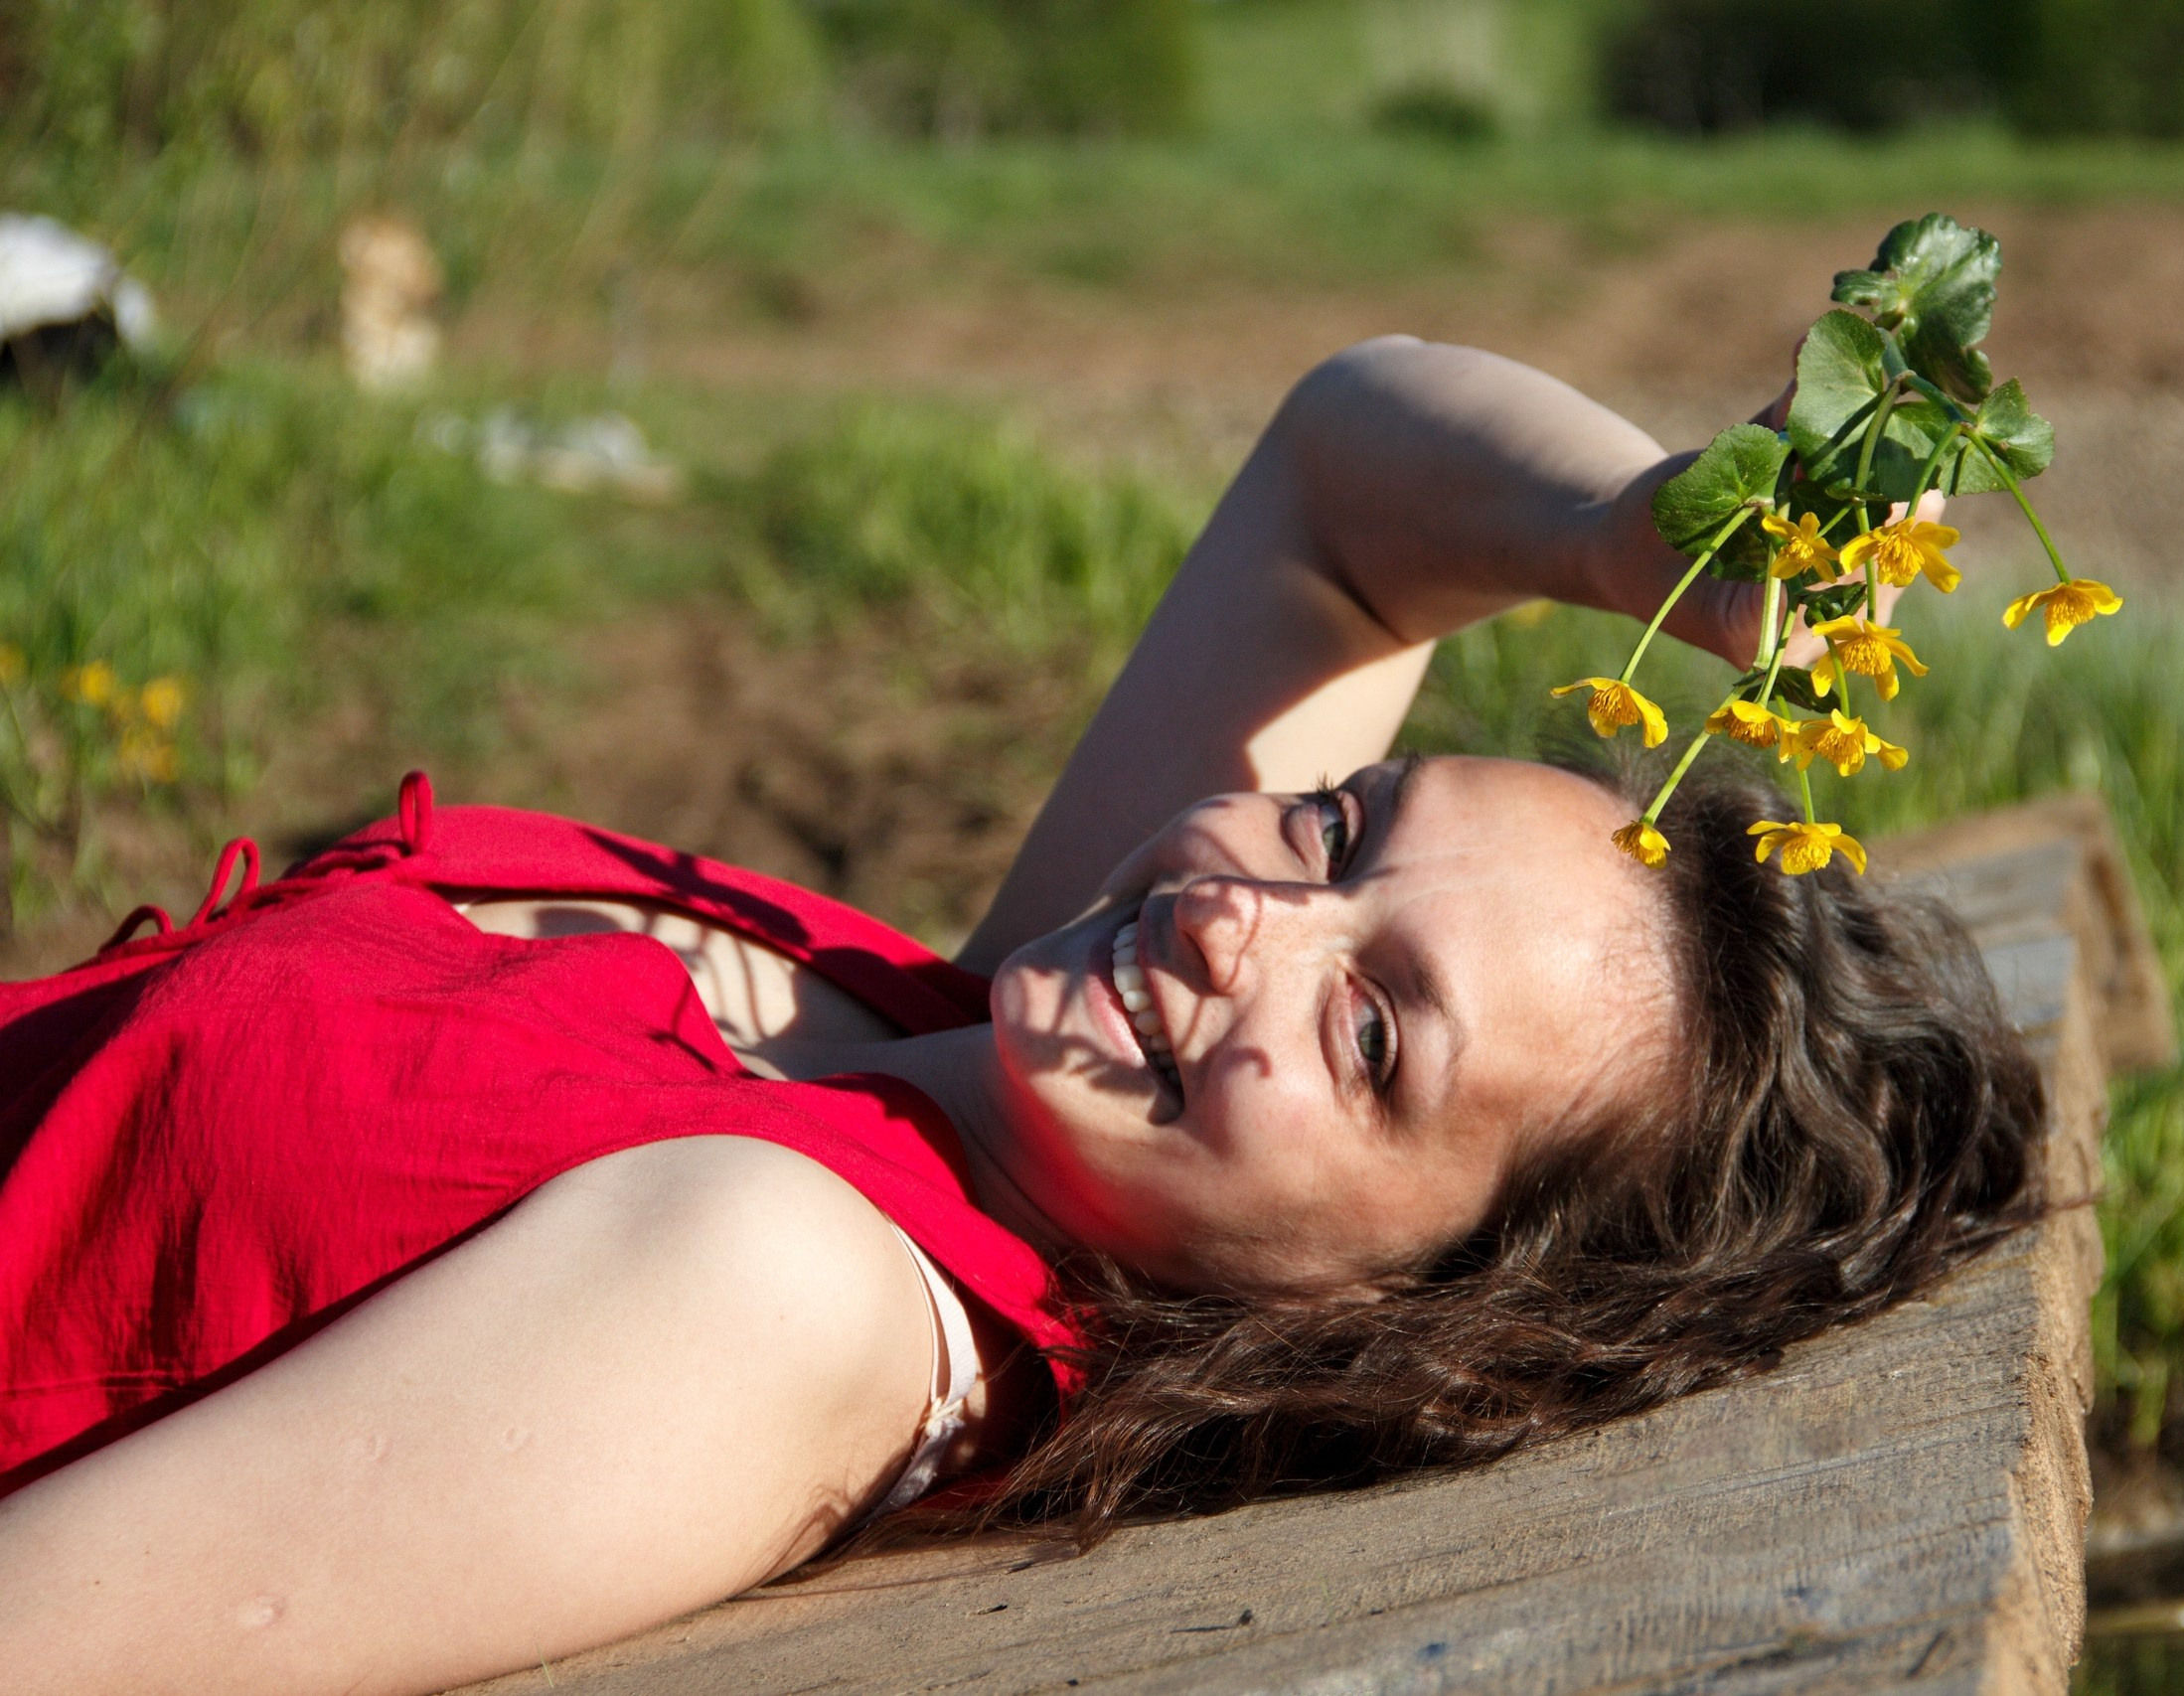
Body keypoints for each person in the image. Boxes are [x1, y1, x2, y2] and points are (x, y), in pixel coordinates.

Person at [0, 337, 2043, 1695]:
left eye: (1370, 1039)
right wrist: (1637, 539)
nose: (1250, 921)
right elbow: (1346, 481)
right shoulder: (995, 1036)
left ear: (1410, 1298)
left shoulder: (786, 1291)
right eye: (1336, 826)